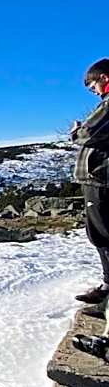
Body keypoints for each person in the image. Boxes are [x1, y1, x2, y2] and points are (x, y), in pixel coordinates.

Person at [72, 58, 109, 304]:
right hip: (101, 178)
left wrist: (77, 131)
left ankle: (108, 289)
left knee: (102, 233)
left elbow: (88, 133)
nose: (93, 91)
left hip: (101, 178)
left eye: (93, 85)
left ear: (104, 78)